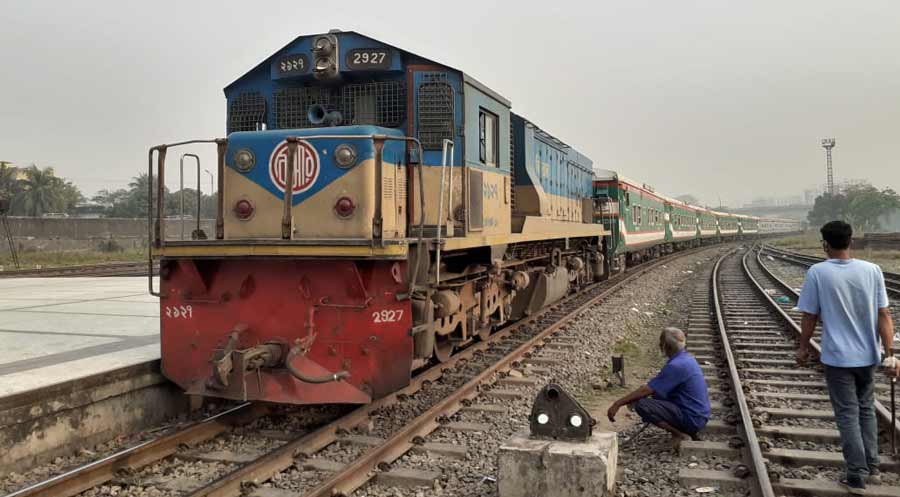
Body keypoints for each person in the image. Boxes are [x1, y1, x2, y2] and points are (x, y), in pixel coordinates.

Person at [796, 220, 898, 495]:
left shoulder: (817, 272)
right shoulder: (872, 270)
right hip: (869, 356)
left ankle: (855, 475)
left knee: (847, 415)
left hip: (838, 359)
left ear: (825, 244)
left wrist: (803, 348)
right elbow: (884, 314)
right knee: (866, 409)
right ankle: (873, 468)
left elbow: (809, 316)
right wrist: (890, 354)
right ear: (851, 241)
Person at [607, 327, 710, 447]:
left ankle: (680, 434)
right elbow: (656, 389)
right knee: (650, 396)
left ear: (665, 346)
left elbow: (647, 390)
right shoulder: (687, 359)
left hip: (692, 419)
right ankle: (686, 430)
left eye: (661, 344)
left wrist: (618, 404)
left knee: (642, 405)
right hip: (699, 416)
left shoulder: (676, 366)